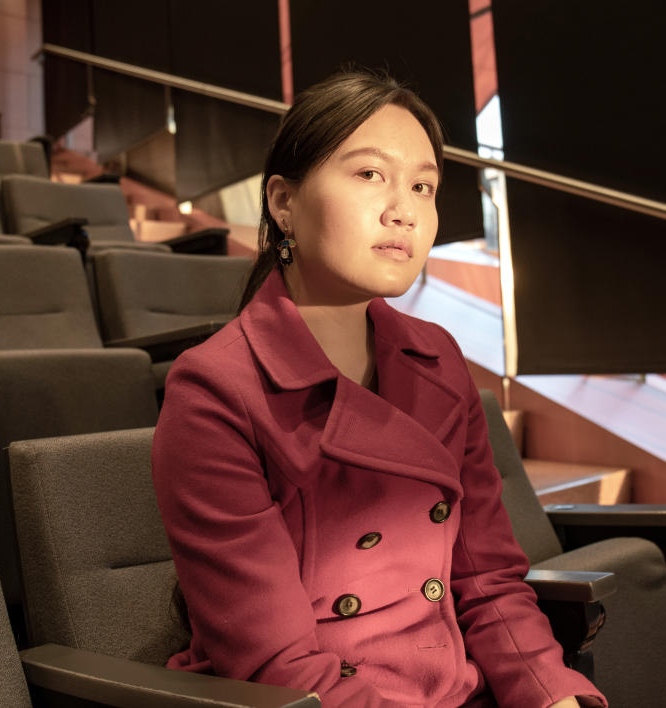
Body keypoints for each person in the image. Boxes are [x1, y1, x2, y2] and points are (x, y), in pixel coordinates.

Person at [152, 70, 607, 707]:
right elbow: (277, 667)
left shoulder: (437, 356)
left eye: (423, 185)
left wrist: (550, 692)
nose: (404, 210)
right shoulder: (215, 389)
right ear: (283, 202)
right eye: (370, 175)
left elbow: (487, 581)